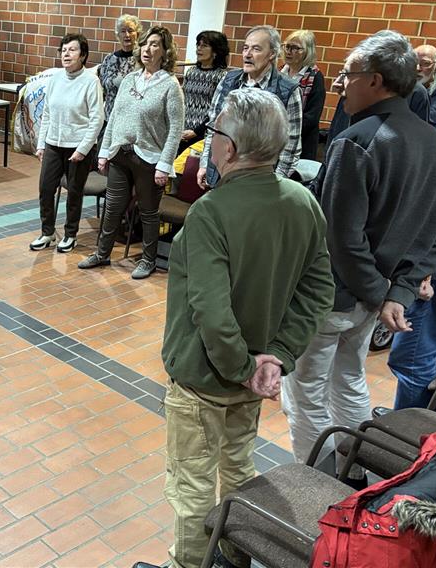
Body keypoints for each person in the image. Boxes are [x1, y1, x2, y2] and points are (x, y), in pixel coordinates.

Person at [133, 89, 335, 568]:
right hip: (255, 376)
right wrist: (277, 357)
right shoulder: (301, 202)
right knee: (239, 468)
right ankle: (233, 554)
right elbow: (318, 291)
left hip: (207, 381)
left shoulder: (211, 212)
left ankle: (191, 563)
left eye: (213, 133)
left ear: (231, 148)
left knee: (192, 487)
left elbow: (211, 310)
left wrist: (242, 367)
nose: (207, 141)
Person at [282, 31, 436, 484]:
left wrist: (382, 295)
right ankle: (356, 471)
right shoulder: (435, 143)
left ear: (376, 80)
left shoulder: (357, 141)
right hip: (373, 300)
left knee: (304, 394)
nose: (340, 83)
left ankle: (320, 488)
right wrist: (395, 291)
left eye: (349, 74)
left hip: (335, 297)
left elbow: (341, 238)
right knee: (349, 379)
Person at [78, 25, 184, 279]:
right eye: (145, 43)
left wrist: (164, 165)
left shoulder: (170, 86)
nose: (148, 49)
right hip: (121, 154)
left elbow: (175, 129)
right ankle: (102, 254)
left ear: (165, 51)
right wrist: (104, 151)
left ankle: (148, 260)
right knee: (113, 207)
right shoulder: (129, 79)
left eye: (155, 44)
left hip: (149, 159)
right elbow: (114, 117)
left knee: (148, 211)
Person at [387, 62, 436, 409]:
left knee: (412, 355)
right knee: (435, 348)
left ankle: (406, 441)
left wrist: (423, 268)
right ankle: (430, 428)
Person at [197, 25, 302, 188]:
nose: (247, 54)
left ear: (272, 54)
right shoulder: (229, 80)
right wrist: (205, 164)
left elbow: (291, 146)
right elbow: (212, 127)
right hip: (221, 176)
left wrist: (273, 184)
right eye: (245, 48)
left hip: (259, 182)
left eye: (256, 49)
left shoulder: (288, 90)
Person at [30, 33, 104, 253]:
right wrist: (41, 144)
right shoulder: (55, 79)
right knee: (45, 188)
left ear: (83, 55)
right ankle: (47, 232)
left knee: (74, 191)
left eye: (72, 50)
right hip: (54, 143)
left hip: (78, 147)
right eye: (63, 50)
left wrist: (83, 149)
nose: (66, 54)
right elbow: (48, 114)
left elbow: (96, 119)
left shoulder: (91, 81)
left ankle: (70, 234)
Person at [180, 30, 229, 155]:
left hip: (202, 136)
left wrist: (196, 131)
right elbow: (183, 101)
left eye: (204, 45)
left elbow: (219, 111)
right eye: (198, 44)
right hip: (182, 133)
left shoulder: (222, 76)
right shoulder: (191, 72)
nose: (199, 49)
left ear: (216, 51)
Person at [281, 29, 326, 161]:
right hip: (275, 140)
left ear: (307, 51)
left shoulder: (315, 77)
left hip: (301, 141)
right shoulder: (279, 72)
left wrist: (285, 130)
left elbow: (311, 117)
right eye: (287, 46)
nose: (289, 51)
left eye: (295, 48)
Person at [96, 14, 141, 140]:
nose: (127, 35)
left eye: (131, 31)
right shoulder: (109, 59)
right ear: (118, 35)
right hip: (108, 119)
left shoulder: (143, 60)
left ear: (137, 34)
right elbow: (102, 90)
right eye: (123, 31)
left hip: (132, 123)